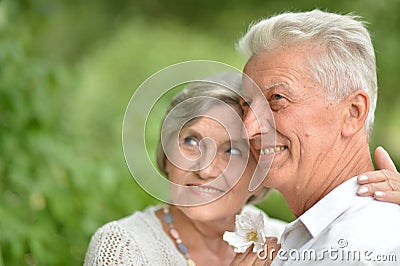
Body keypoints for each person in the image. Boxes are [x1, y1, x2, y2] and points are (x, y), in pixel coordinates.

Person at [234, 9, 400, 265]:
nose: (248, 128)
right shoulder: (305, 239)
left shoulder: (370, 244)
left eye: (277, 99)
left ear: (353, 113)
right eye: (246, 105)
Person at [84, 73, 287, 266]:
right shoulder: (122, 246)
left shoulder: (287, 242)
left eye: (232, 151)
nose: (205, 171)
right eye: (191, 141)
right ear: (166, 156)